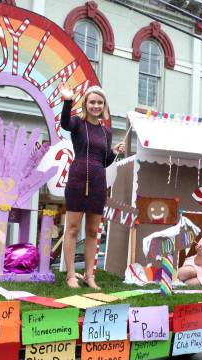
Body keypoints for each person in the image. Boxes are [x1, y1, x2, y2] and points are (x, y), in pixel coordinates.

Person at [59, 83, 125, 289]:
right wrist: (68, 100)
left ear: (104, 105)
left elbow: (103, 160)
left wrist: (113, 152)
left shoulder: (106, 132)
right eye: (92, 102)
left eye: (99, 102)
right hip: (78, 179)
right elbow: (64, 123)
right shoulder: (77, 123)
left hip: (98, 182)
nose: (96, 105)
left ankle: (89, 276)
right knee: (71, 229)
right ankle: (71, 275)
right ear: (86, 104)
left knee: (93, 231)